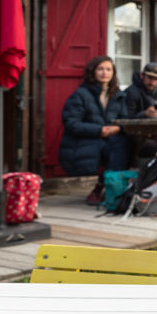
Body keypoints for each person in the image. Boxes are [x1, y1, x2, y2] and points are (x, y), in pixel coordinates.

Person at [57, 55, 130, 205]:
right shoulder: (81, 95)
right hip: (87, 139)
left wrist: (118, 127)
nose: (105, 73)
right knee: (113, 148)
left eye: (108, 69)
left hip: (111, 139)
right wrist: (99, 130)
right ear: (93, 72)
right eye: (101, 69)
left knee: (123, 145)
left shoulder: (118, 95)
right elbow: (71, 123)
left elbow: (125, 119)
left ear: (113, 73)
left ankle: (105, 188)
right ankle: (103, 190)